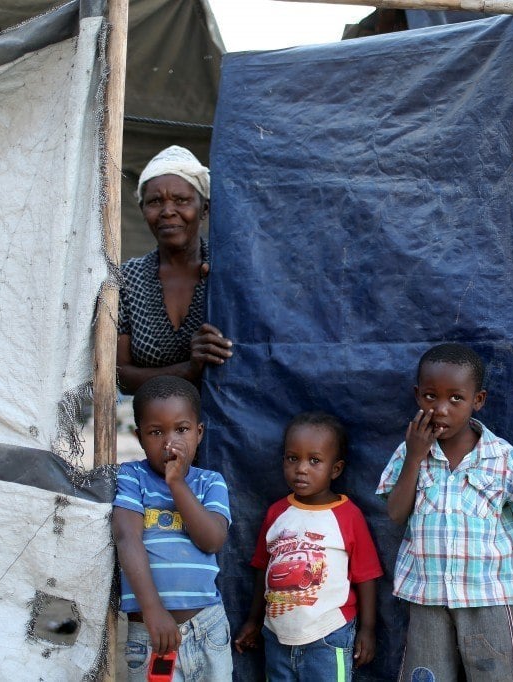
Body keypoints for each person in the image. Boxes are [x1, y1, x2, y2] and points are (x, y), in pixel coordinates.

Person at [376, 343, 513, 681]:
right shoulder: (409, 451)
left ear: (478, 401)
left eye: (456, 398)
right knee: (427, 676)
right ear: (416, 396)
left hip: (486, 595)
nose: (441, 409)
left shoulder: (500, 457)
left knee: (494, 674)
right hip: (427, 594)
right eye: (430, 397)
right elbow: (396, 514)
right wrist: (414, 456)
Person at [234, 412, 383, 681]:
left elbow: (367, 576)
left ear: (335, 469)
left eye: (314, 461)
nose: (301, 468)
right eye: (293, 458)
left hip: (327, 637)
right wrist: (254, 621)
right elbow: (262, 570)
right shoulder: (277, 513)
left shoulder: (348, 516)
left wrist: (368, 630)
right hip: (276, 636)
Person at [112, 376, 232, 681]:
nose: (170, 442)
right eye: (156, 432)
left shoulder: (209, 482)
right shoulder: (132, 476)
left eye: (182, 429)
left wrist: (177, 483)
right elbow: (127, 538)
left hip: (207, 628)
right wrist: (152, 610)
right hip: (152, 631)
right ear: (139, 437)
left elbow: (212, 540)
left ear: (199, 432)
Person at [117, 146, 233, 394]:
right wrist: (188, 370)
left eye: (181, 200)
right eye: (155, 202)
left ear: (205, 208)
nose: (168, 211)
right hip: (155, 429)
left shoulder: (227, 271)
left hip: (226, 425)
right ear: (143, 210)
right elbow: (118, 376)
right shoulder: (126, 280)